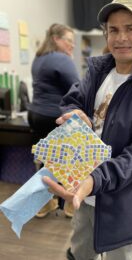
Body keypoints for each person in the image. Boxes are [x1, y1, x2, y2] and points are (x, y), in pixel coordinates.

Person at [43, 0, 132, 260]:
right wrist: (72, 113)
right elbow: (72, 100)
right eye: (113, 30)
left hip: (125, 205)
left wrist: (95, 180)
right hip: (83, 194)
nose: (120, 38)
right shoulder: (98, 70)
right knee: (79, 253)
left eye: (131, 28)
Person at [28, 23, 80, 218]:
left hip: (36, 115)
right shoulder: (61, 59)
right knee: (68, 161)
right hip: (54, 117)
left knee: (48, 161)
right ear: (56, 39)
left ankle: (45, 204)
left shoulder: (39, 58)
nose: (72, 46)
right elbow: (78, 88)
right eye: (69, 41)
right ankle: (68, 205)